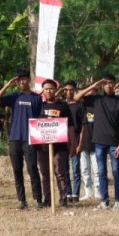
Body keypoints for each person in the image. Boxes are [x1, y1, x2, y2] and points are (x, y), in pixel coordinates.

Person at [0, 71, 45, 209]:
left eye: (24, 79)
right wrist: (7, 86)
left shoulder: (37, 98)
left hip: (30, 139)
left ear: (29, 80)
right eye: (19, 80)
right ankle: (22, 201)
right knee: (17, 169)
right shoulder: (14, 96)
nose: (22, 82)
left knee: (32, 168)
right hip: (15, 138)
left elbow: (41, 117)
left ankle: (38, 199)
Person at [73, 74, 119, 209]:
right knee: (101, 172)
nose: (109, 85)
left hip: (114, 142)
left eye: (111, 83)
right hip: (99, 142)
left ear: (115, 85)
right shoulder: (96, 99)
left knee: (116, 171)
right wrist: (93, 86)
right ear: (102, 86)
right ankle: (104, 200)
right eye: (106, 83)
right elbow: (76, 97)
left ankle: (118, 200)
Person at [38, 78, 73, 206]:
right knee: (45, 174)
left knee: (60, 173)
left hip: (60, 146)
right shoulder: (39, 106)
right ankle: (47, 200)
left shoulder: (63, 106)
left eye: (51, 88)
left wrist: (72, 144)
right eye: (46, 89)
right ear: (42, 91)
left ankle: (63, 199)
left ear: (56, 90)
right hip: (42, 147)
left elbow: (70, 126)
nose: (49, 91)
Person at [63, 80, 89, 199]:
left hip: (76, 139)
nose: (69, 92)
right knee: (64, 169)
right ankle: (68, 192)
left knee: (76, 169)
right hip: (63, 140)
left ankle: (75, 194)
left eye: (71, 90)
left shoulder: (80, 105)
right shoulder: (62, 105)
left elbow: (84, 126)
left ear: (75, 90)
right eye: (67, 90)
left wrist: (80, 143)